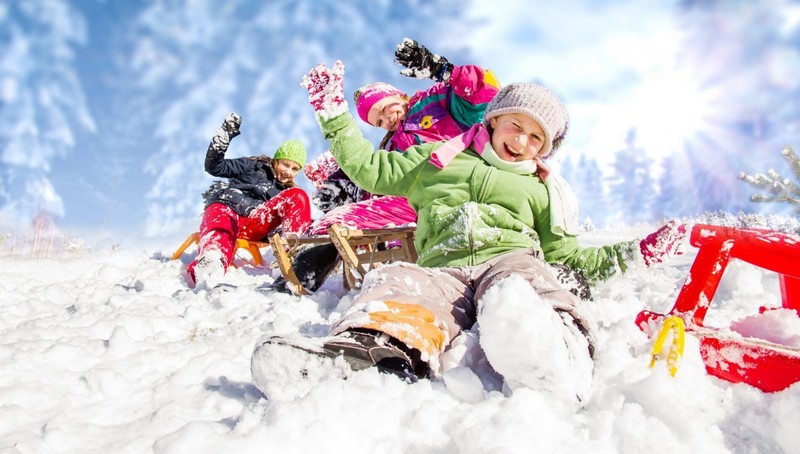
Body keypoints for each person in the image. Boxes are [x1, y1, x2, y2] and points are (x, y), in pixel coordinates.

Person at [250, 61, 688, 403]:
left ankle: (554, 352)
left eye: (537, 137)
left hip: (510, 257)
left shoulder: (539, 187)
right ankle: (363, 351)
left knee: (524, 286)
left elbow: (567, 255)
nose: (522, 142)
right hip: (445, 264)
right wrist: (335, 114)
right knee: (398, 281)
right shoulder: (437, 158)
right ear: (495, 120)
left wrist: (638, 252)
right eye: (516, 125)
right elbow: (370, 169)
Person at [271, 37, 501, 295]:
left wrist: (442, 70)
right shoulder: (390, 147)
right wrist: (354, 191)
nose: (387, 120)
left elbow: (486, 97)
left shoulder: (435, 102)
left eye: (384, 109)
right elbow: (386, 181)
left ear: (398, 94)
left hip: (458, 189)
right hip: (415, 203)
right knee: (341, 220)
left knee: (351, 220)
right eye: (378, 121)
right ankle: (295, 277)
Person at [188, 112, 312, 288]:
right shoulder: (253, 165)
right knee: (221, 227)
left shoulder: (286, 192)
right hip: (227, 207)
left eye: (294, 169)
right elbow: (214, 167)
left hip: (255, 221)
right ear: (275, 160)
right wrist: (224, 137)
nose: (288, 172)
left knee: (299, 195)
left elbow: (296, 218)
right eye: (285, 164)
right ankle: (211, 261)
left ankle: (289, 258)